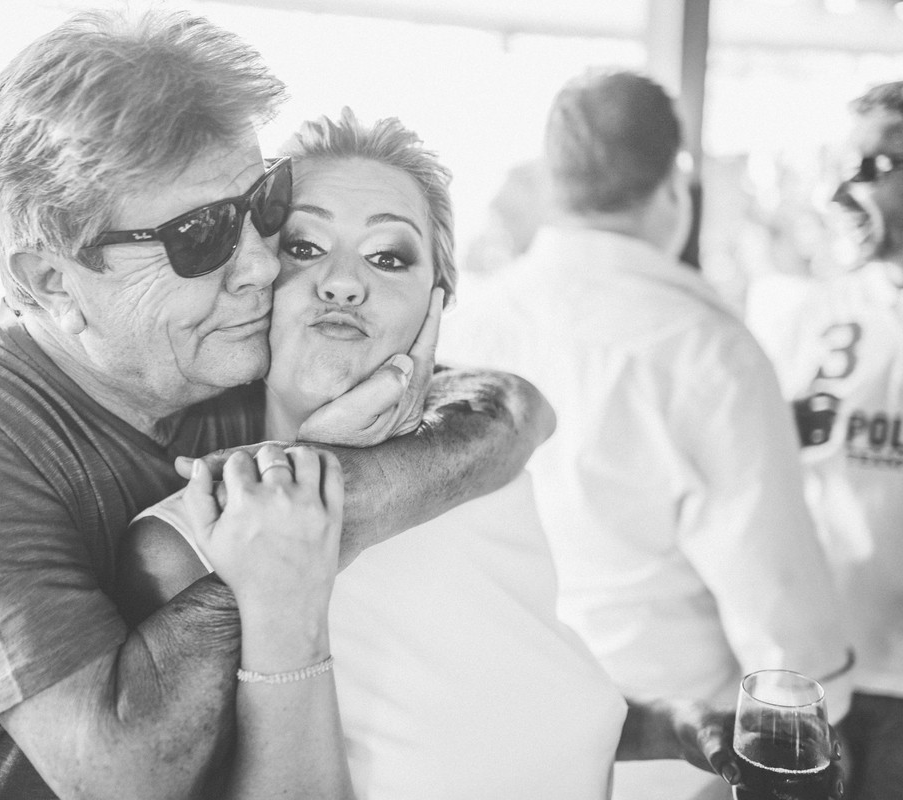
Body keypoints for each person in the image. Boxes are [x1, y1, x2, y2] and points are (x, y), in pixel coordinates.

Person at [0, 10, 553, 799]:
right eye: (201, 235)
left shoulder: (229, 354)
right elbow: (124, 775)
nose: (261, 264)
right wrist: (304, 518)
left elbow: (508, 408)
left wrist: (317, 491)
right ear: (53, 282)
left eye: (262, 203)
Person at [121, 108, 753, 800]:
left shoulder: (479, 471)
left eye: (388, 256)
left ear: (436, 305)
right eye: (304, 246)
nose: (343, 282)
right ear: (252, 280)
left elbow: (499, 709)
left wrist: (669, 723)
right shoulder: (188, 545)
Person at [440, 69, 854, 800]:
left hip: (490, 736)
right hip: (676, 761)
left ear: (554, 181)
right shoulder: (707, 351)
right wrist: (819, 717)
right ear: (676, 183)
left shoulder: (467, 325)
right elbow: (778, 604)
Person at [746, 80, 903, 800]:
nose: (841, 191)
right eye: (842, 166)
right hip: (813, 678)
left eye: (873, 168)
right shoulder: (808, 315)